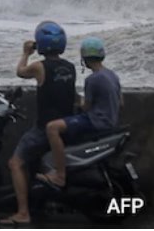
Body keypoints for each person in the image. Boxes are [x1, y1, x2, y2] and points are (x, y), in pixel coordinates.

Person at [0, 21, 76, 226]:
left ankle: (23, 212)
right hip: (67, 124)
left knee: (15, 163)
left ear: (41, 44)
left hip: (45, 129)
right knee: (33, 162)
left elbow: (20, 72)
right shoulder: (70, 67)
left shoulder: (39, 67)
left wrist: (25, 52)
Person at [36, 37, 122, 189]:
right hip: (111, 121)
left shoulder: (93, 79)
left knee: (52, 128)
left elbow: (86, 108)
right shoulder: (112, 75)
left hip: (97, 121)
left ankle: (59, 176)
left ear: (85, 59)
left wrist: (79, 102)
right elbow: (120, 102)